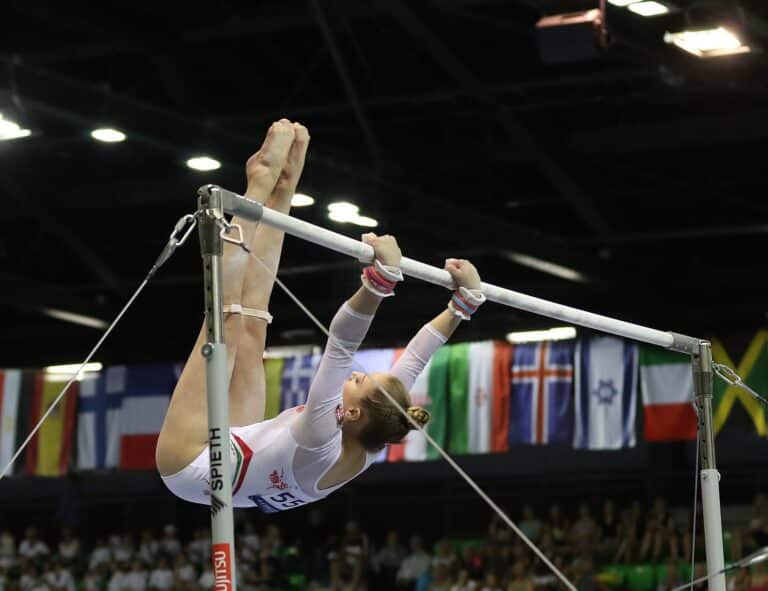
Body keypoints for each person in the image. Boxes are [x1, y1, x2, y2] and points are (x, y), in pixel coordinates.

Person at [156, 119, 486, 511]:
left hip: (189, 464)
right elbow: (417, 356)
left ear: (350, 412)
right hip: (239, 454)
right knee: (253, 327)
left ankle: (257, 185)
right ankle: (284, 188)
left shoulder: (320, 438)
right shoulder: (372, 429)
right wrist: (462, 305)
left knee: (226, 323)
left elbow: (342, 344)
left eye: (360, 381)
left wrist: (380, 282)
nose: (356, 373)